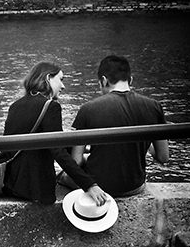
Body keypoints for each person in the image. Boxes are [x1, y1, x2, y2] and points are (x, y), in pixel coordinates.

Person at [0, 61, 107, 206]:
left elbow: (7, 148)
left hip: (12, 185)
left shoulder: (15, 105)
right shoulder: (51, 107)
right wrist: (89, 185)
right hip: (36, 190)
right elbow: (57, 150)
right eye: (60, 80)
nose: (63, 86)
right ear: (48, 78)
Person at [67, 55, 169, 197]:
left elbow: (76, 161)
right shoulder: (154, 106)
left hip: (99, 188)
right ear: (130, 79)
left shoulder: (88, 109)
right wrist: (145, 140)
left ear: (103, 80)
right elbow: (163, 157)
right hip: (134, 186)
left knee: (63, 177)